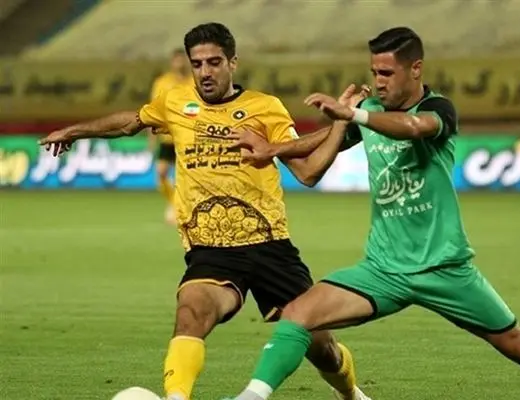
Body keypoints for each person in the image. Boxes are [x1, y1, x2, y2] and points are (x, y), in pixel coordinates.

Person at [225, 27, 520, 400]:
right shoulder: (370, 112)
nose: (379, 81)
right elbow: (318, 144)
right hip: (383, 270)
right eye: (375, 72)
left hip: (445, 268)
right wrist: (274, 148)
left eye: (387, 73)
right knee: (296, 314)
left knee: (519, 345)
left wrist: (354, 114)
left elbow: (414, 127)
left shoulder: (438, 109)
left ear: (415, 69)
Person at [38, 22, 371, 400]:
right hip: (211, 251)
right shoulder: (174, 101)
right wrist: (73, 132)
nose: (205, 72)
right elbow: (131, 122)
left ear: (233, 62)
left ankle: (351, 395)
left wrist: (343, 125)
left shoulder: (265, 108)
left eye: (214, 62)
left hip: (269, 245)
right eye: (197, 64)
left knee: (321, 347)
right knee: (190, 312)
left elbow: (308, 172)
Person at [148, 48, 194, 225]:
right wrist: (152, 137)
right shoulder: (162, 83)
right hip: (167, 137)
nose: (180, 63)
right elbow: (153, 110)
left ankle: (181, 208)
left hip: (188, 137)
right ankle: (173, 203)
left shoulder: (195, 81)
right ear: (172, 62)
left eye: (183, 59)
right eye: (177, 60)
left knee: (185, 178)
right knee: (161, 173)